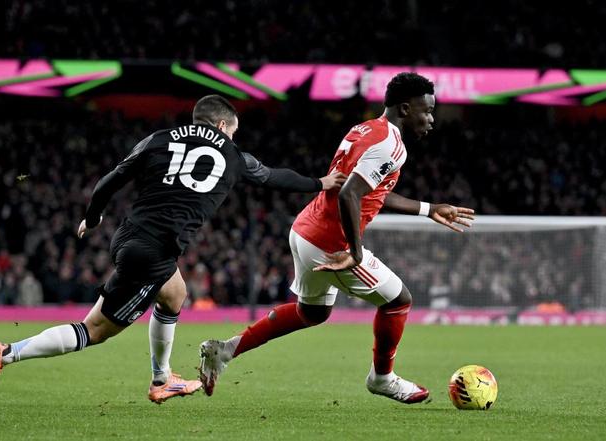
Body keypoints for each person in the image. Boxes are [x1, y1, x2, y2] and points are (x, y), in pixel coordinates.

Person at [0, 95, 346, 404]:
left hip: (129, 236)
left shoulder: (159, 139)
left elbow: (110, 179)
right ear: (221, 125)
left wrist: (93, 217)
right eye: (232, 132)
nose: (232, 138)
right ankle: (8, 352)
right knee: (93, 330)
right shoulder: (233, 156)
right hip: (152, 252)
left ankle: (162, 378)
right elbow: (273, 177)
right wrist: (320, 182)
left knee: (175, 293)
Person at [199, 73, 475, 404]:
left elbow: (369, 190)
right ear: (405, 108)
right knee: (398, 301)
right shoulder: (391, 146)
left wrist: (428, 209)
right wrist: (355, 252)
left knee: (312, 313)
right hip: (330, 243)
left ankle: (225, 350)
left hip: (305, 230)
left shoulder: (365, 129)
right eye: (427, 111)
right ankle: (382, 378)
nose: (431, 119)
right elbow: (349, 194)